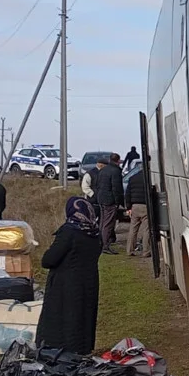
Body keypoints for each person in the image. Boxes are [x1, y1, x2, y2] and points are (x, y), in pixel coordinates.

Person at [35, 197, 103, 354]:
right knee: (83, 318)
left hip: (66, 285)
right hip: (89, 282)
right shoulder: (94, 232)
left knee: (63, 321)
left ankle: (58, 353)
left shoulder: (70, 231)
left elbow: (49, 260)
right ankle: (82, 350)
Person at [93, 152, 124, 254]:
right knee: (108, 223)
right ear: (118, 161)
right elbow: (116, 188)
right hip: (110, 200)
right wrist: (118, 201)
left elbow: (97, 185)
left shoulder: (102, 170)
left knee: (102, 222)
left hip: (101, 199)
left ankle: (100, 243)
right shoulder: (115, 171)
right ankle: (105, 246)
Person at [125, 167, 151, 258]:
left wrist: (128, 207)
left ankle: (129, 250)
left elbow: (127, 194)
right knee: (146, 229)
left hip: (135, 206)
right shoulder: (149, 178)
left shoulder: (132, 178)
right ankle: (146, 251)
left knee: (133, 229)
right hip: (146, 206)